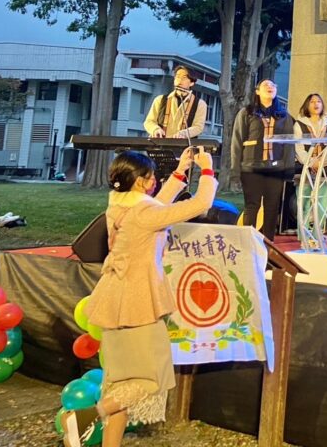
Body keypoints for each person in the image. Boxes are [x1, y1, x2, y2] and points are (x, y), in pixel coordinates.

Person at [64, 147, 217, 447]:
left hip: (112, 299)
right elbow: (201, 203)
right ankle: (86, 416)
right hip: (137, 303)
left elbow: (154, 208)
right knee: (151, 379)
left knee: (119, 383)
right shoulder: (145, 213)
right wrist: (207, 169)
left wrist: (181, 172)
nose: (154, 181)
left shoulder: (119, 206)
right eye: (151, 177)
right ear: (140, 181)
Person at [230, 80, 295, 242]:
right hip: (251, 167)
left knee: (272, 208)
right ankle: (247, 242)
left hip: (275, 169)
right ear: (257, 91)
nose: (270, 87)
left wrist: (288, 170)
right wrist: (235, 170)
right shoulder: (247, 113)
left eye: (273, 85)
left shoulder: (284, 116)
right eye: (266, 85)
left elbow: (289, 145)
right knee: (252, 206)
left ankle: (268, 244)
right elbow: (237, 142)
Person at [293, 93, 327, 232]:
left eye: (318, 101)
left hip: (325, 169)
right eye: (312, 102)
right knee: (304, 203)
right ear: (307, 105)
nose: (316, 104)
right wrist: (311, 163)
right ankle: (303, 235)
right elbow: (299, 148)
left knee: (322, 203)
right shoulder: (300, 124)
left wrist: (323, 162)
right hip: (305, 169)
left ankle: (318, 235)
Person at [143, 65, 207, 139]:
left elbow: (198, 127)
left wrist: (184, 133)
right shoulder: (160, 99)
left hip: (184, 145)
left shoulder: (200, 104)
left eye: (184, 78)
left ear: (192, 83)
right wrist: (155, 129)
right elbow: (149, 121)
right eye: (177, 77)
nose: (179, 80)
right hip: (159, 144)